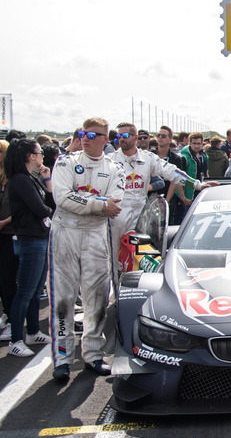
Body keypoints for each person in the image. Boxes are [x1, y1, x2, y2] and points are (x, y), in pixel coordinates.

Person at [49, 118, 125, 382]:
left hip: (95, 234)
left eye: (93, 134)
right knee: (63, 299)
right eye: (83, 133)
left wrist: (93, 204)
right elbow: (62, 197)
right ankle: (62, 359)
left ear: (106, 139)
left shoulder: (115, 167)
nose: (86, 137)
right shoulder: (65, 162)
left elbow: (116, 202)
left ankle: (93, 354)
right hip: (65, 232)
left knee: (97, 299)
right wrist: (98, 204)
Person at [110, 123, 197, 284]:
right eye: (119, 136)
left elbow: (172, 172)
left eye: (125, 135)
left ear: (135, 138)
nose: (121, 139)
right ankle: (116, 296)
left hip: (141, 217)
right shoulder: (111, 160)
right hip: (116, 218)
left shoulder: (147, 157)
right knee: (115, 262)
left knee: (143, 259)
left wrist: (197, 184)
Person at [5, 139, 55, 357]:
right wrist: (48, 203)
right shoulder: (20, 181)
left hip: (40, 237)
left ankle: (33, 331)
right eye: (39, 152)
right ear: (30, 156)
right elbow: (43, 209)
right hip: (31, 239)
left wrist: (47, 179)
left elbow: (48, 205)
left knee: (35, 291)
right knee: (25, 291)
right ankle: (16, 339)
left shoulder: (30, 178)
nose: (42, 155)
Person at [0, 140, 18, 342]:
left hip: (10, 233)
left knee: (8, 278)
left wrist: (4, 222)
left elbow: (22, 207)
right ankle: (7, 313)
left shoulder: (14, 179)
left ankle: (14, 322)